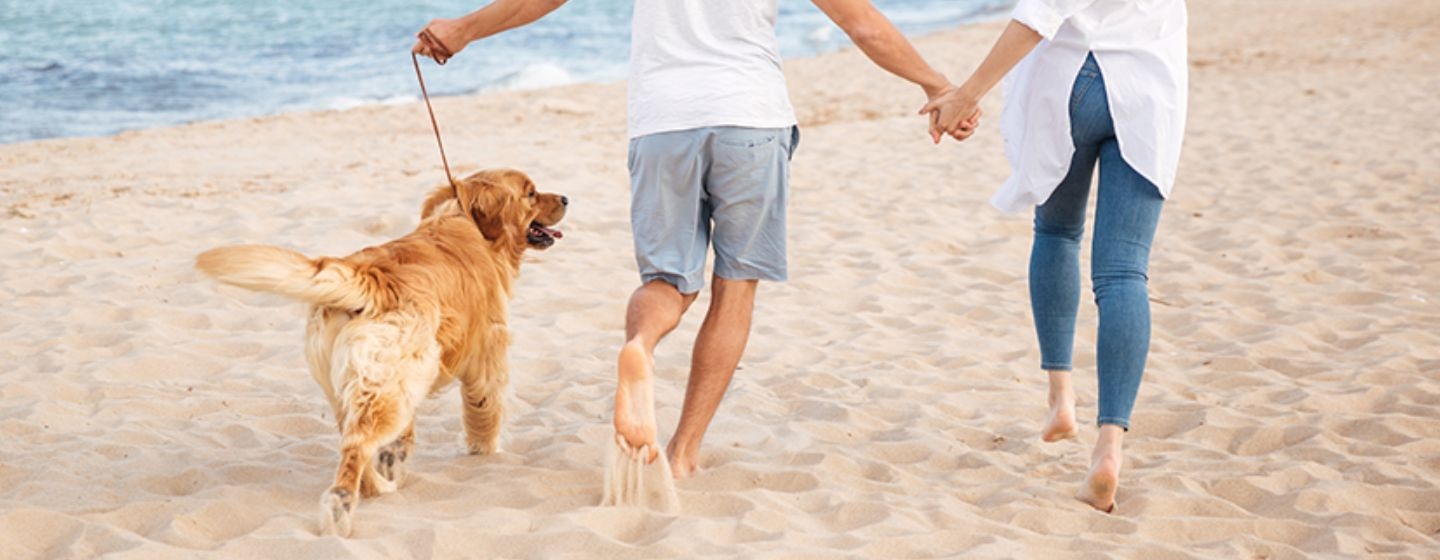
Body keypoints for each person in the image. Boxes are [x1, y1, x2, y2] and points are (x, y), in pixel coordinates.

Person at [415, 0, 963, 479]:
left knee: (667, 282)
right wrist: (937, 85)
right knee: (736, 285)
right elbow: (860, 22)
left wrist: (463, 29)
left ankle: (641, 347)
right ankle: (682, 453)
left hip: (664, 123)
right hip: (749, 118)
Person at [922, 0, 1189, 512]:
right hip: (1150, 87)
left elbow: (1041, 12)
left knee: (1058, 233)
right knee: (1124, 272)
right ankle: (1109, 447)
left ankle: (1060, 397)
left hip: (1074, 79)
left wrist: (965, 94)